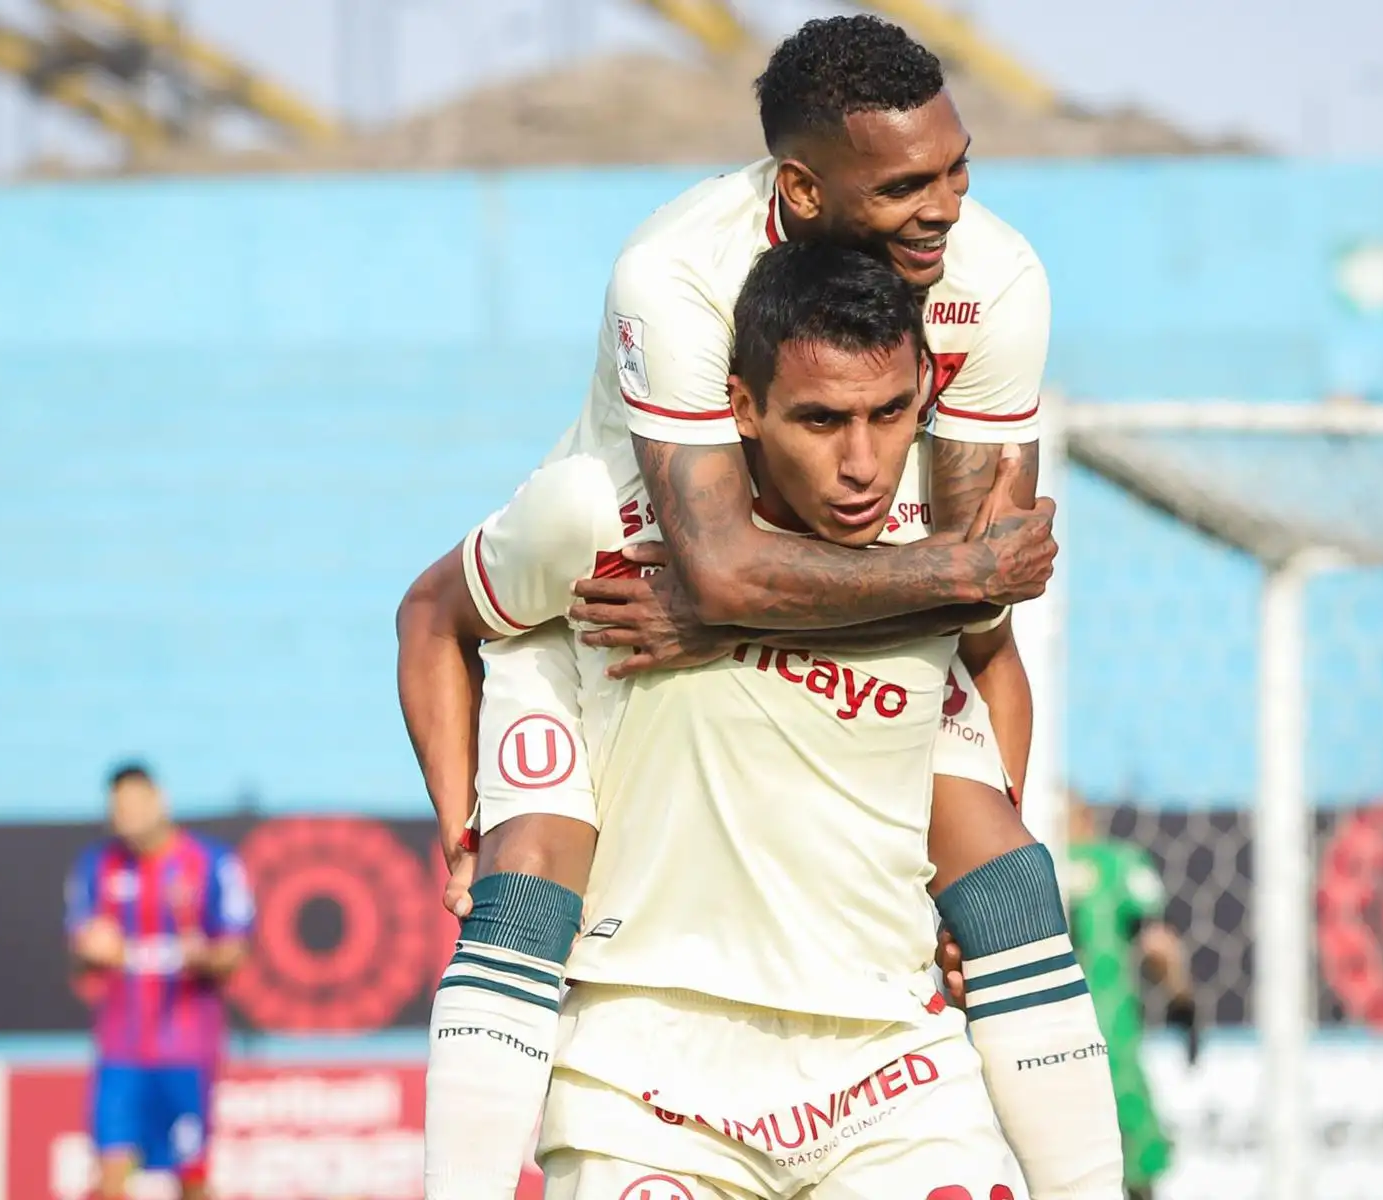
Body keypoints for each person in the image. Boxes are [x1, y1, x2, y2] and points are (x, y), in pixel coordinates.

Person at [399, 16, 1121, 1200]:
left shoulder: (996, 282)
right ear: (802, 188)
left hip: (813, 604)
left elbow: (974, 602)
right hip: (614, 606)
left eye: (957, 169)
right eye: (904, 187)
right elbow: (731, 568)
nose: (945, 209)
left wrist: (958, 849)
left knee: (1008, 879)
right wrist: (461, 828)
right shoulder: (676, 276)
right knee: (526, 879)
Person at [64, 762, 254, 1200]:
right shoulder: (97, 867)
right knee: (110, 1177)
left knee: (192, 1179)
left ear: (159, 801)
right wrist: (89, 951)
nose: (127, 817)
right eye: (118, 809)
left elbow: (235, 953)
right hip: (120, 1049)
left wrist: (202, 956)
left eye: (135, 805)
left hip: (186, 1050)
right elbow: (80, 957)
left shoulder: (211, 863)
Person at [1065, 796, 1200, 1200]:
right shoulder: (1116, 864)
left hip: (1032, 1032)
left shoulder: (1021, 866)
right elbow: (1159, 944)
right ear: (1087, 817)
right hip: (1109, 1035)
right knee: (1132, 1157)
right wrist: (1183, 1001)